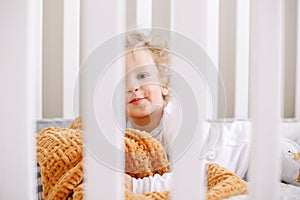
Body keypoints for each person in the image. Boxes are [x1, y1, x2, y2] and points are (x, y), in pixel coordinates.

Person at [124, 31, 177, 194]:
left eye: (142, 76)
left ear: (164, 85)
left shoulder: (176, 121)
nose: (133, 87)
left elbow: (192, 176)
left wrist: (136, 186)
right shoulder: (121, 130)